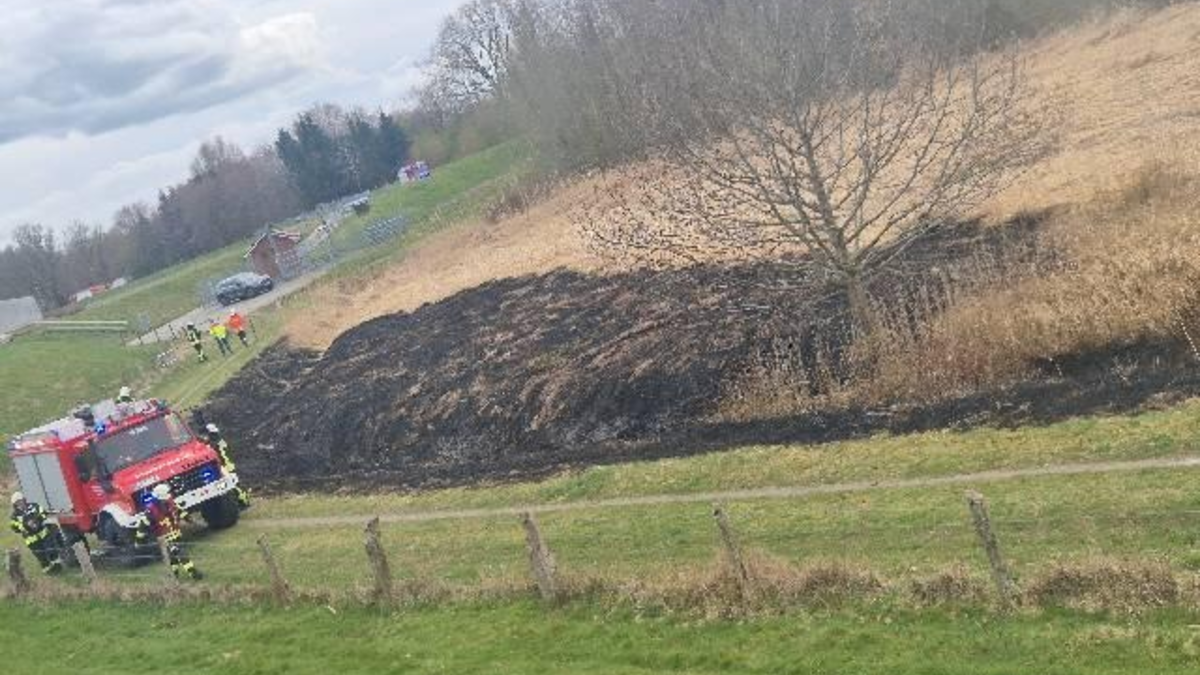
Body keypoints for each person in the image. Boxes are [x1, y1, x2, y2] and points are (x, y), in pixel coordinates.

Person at [137, 484, 202, 580]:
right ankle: (194, 574)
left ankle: (174, 575)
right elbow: (142, 526)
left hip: (176, 533)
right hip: (164, 539)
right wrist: (139, 541)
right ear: (159, 497)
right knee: (181, 553)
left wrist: (189, 519)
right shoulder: (150, 510)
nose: (168, 497)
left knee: (173, 557)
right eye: (166, 496)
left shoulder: (170, 503)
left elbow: (180, 511)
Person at [9, 492, 63, 574]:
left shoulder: (34, 506)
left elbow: (43, 513)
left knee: (52, 551)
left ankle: (58, 568)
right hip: (32, 541)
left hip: (44, 534)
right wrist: (26, 525)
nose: (20, 503)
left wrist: (36, 520)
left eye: (21, 501)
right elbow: (15, 527)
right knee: (41, 557)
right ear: (14, 505)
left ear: (24, 500)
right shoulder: (14, 516)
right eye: (17, 503)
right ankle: (48, 571)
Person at [205, 424, 250, 508]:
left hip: (226, 466)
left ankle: (244, 502)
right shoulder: (220, 441)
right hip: (228, 465)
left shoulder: (215, 443)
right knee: (235, 484)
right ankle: (243, 501)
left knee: (234, 485)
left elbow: (220, 455)